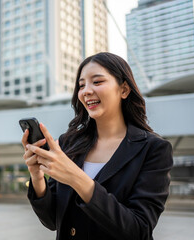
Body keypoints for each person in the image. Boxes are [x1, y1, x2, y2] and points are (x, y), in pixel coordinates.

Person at [21, 52, 173, 240]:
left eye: (97, 82)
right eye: (81, 85)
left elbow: (138, 230)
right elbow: (52, 221)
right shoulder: (69, 143)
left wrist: (76, 178)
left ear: (124, 90)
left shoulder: (153, 149)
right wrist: (37, 177)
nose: (86, 91)